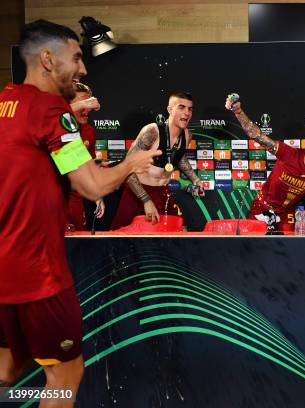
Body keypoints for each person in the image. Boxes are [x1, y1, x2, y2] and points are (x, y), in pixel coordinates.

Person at [0, 20, 159, 405]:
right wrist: (131, 163)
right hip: (38, 274)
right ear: (48, 59)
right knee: (66, 375)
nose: (84, 69)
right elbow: (90, 185)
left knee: (7, 370)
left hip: (4, 269)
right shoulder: (52, 110)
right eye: (76, 58)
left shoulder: (6, 102)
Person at [225, 95, 305, 231]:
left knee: (288, 246)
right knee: (254, 243)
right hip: (263, 207)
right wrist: (238, 112)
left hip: (287, 212)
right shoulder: (288, 154)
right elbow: (257, 135)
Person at [111, 92, 206, 230]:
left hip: (163, 191)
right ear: (170, 109)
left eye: (190, 109)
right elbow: (128, 167)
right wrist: (146, 200)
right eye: (181, 107)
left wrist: (196, 180)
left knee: (174, 233)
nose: (187, 113)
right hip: (137, 193)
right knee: (123, 240)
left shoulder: (187, 135)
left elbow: (177, 157)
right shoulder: (152, 131)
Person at [66, 82, 104, 230]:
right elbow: (54, 115)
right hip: (50, 198)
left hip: (75, 197)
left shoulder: (88, 131)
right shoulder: (52, 126)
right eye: (82, 103)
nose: (87, 109)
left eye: (89, 104)